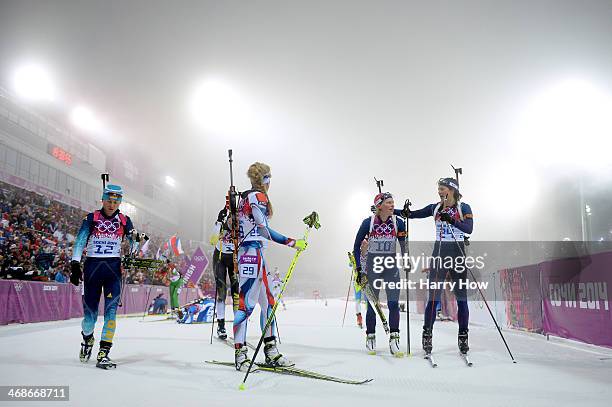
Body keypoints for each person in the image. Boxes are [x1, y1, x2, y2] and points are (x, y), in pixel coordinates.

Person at [232, 162, 307, 371]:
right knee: (246, 306)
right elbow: (264, 230)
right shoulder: (258, 197)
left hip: (255, 253)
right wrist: (292, 242)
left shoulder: (246, 197)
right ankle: (241, 355)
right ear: (265, 179)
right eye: (269, 178)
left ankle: (270, 351)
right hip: (251, 253)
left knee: (269, 304)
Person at [397, 177, 473, 355]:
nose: (439, 192)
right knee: (433, 298)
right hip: (439, 255)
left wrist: (452, 220)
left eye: (443, 189)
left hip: (458, 255)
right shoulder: (435, 208)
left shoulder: (464, 208)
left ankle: (463, 336)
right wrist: (396, 211)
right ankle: (427, 334)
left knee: (462, 299)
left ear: (452, 190)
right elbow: (413, 214)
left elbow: (469, 229)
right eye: (438, 189)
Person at [70, 184, 135, 369]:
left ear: (120, 202)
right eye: (109, 200)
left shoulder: (124, 220)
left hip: (113, 271)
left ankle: (103, 352)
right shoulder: (92, 218)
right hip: (92, 270)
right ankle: (87, 339)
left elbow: (133, 244)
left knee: (111, 315)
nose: (112, 204)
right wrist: (75, 263)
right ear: (103, 200)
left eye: (116, 201)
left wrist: (135, 245)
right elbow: (80, 241)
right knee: (89, 318)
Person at [353, 192, 406, 356]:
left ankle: (394, 339)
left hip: (391, 268)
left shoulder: (399, 223)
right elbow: (355, 247)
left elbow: (404, 245)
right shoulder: (367, 223)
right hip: (373, 268)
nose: (392, 205)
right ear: (379, 206)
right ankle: (370, 336)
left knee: (393, 304)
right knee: (372, 305)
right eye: (389, 203)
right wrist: (359, 270)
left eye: (393, 202)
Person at [209, 206, 239, 340]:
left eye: (235, 221)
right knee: (221, 292)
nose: (232, 223)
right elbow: (212, 241)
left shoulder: (239, 229)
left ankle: (238, 324)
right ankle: (221, 325)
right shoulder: (221, 225)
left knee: (236, 293)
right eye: (230, 220)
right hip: (220, 258)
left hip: (233, 260)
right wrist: (218, 221)